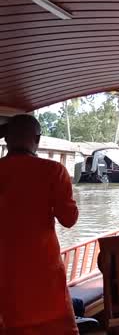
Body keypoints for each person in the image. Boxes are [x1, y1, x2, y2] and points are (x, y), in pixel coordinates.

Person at [0, 114, 79, 334]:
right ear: (38, 138)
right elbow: (69, 219)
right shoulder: (53, 171)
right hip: (44, 275)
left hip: (5, 276)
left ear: (6, 140)